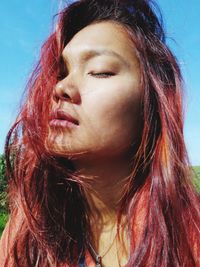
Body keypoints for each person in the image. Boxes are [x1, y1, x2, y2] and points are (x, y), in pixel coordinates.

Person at [0, 0, 199, 266]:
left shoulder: (189, 241)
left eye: (100, 72)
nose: (61, 88)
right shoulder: (29, 235)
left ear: (151, 104)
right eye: (60, 74)